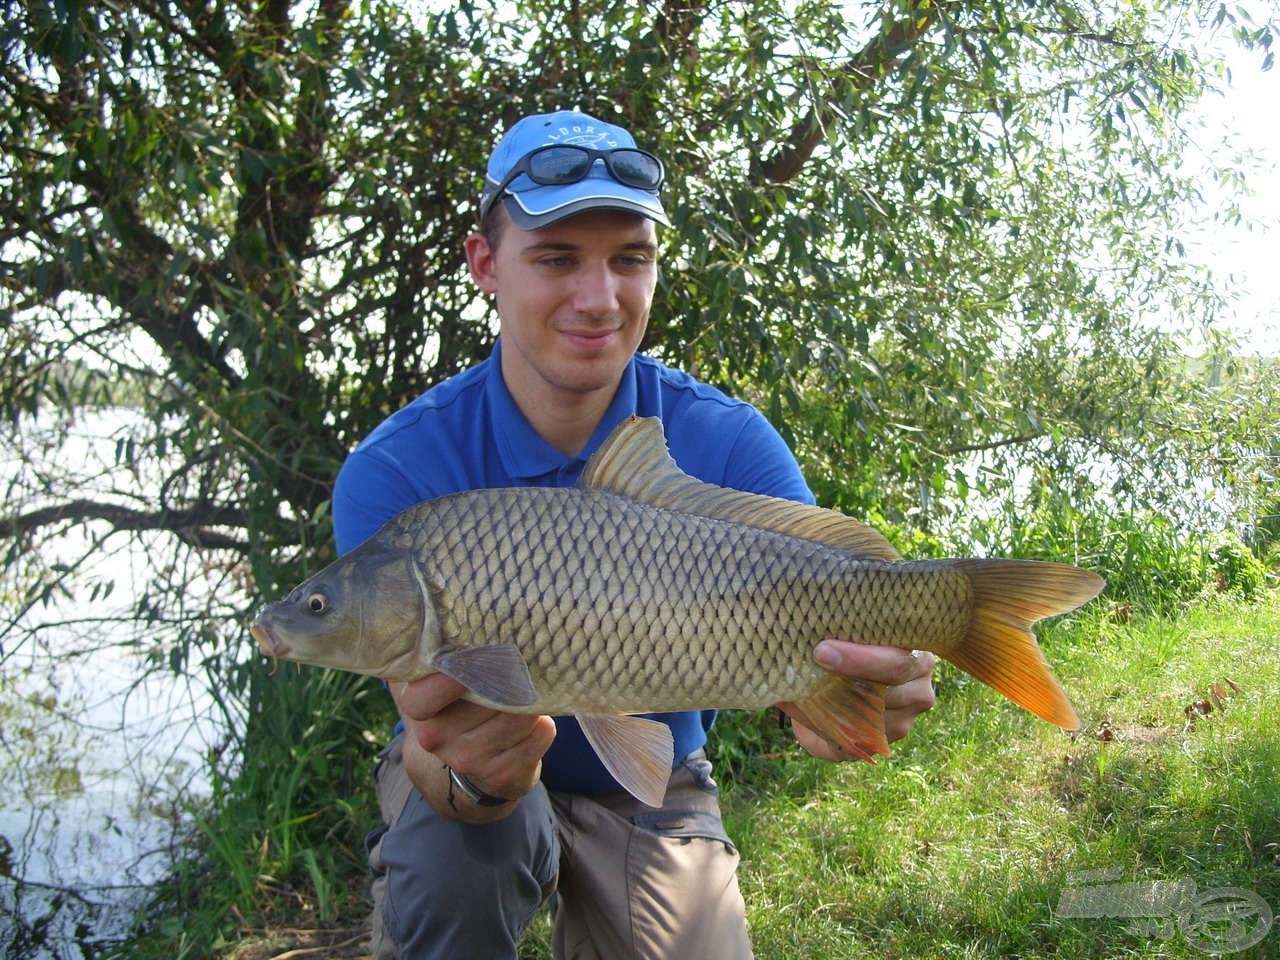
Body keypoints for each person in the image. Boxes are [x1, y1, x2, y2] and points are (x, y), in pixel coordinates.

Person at [331, 109, 938, 960]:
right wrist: (475, 776)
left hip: (659, 781)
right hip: (468, 783)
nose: (599, 297)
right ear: (485, 266)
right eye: (555, 258)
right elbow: (426, 742)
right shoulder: (398, 471)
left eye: (631, 260)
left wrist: (867, 687)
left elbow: (842, 615)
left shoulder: (726, 442)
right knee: (450, 859)